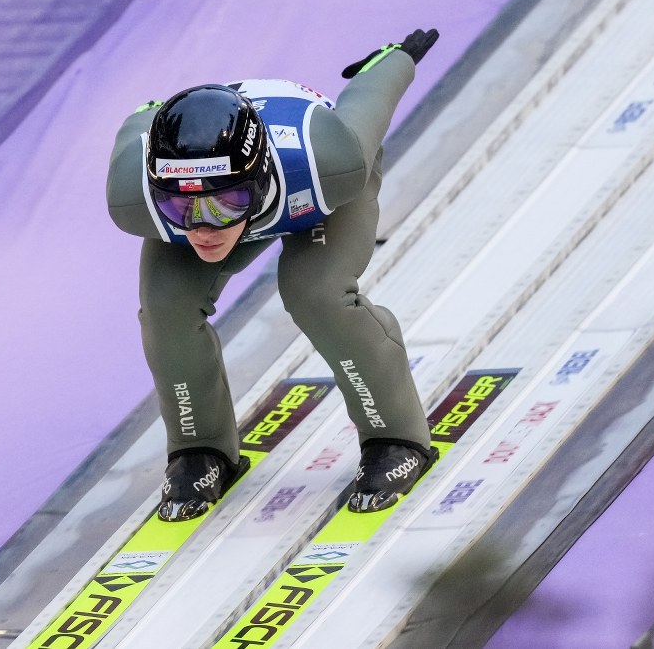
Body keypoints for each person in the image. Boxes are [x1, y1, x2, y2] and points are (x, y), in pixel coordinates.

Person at [106, 29, 441, 521]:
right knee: (165, 310)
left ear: (261, 178)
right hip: (267, 183)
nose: (203, 227)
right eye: (180, 206)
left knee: (317, 292)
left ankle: (395, 433)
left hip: (311, 196)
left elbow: (367, 102)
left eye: (227, 203)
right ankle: (199, 446)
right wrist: (157, 120)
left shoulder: (328, 160)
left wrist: (393, 61)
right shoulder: (134, 196)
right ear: (157, 190)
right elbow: (141, 122)